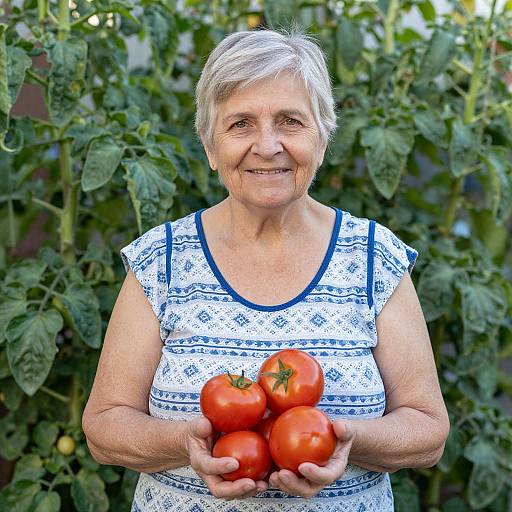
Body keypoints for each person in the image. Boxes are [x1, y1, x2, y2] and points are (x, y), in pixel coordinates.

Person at [82, 28, 450, 511]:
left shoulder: (372, 258)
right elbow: (104, 426)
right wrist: (184, 444)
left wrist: (347, 438)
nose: (267, 145)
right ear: (211, 147)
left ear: (323, 136)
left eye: (290, 121)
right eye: (240, 124)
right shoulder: (163, 261)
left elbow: (428, 431)